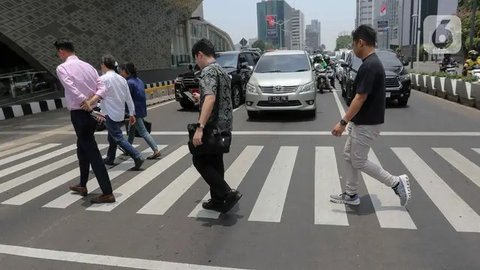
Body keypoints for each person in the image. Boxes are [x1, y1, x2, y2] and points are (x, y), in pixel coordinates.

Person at [330, 25, 412, 207]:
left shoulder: (369, 66)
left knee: (358, 160)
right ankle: (351, 194)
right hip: (362, 122)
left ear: (361, 42)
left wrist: (343, 122)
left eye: (353, 45)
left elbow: (360, 97)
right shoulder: (372, 63)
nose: (353, 49)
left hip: (366, 123)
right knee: (348, 155)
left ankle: (395, 182)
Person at [54, 39, 115, 204]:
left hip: (80, 114)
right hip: (92, 112)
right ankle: (82, 184)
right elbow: (102, 87)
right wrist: (92, 100)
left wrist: (84, 102)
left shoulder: (62, 68)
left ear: (61, 51)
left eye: (58, 53)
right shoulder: (89, 67)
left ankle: (107, 192)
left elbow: (71, 88)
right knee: (82, 147)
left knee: (91, 151)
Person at [191, 38, 242, 213]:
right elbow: (216, 97)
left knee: (198, 159)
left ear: (200, 54)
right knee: (215, 161)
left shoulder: (208, 72)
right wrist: (201, 99)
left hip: (212, 126)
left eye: (195, 59)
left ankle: (227, 193)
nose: (196, 63)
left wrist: (200, 127)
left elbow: (211, 98)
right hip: (225, 125)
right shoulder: (221, 70)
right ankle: (218, 200)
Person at [99, 55, 144, 170]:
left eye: (101, 64)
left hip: (109, 113)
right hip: (119, 113)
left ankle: (137, 155)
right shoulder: (122, 79)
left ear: (104, 65)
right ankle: (110, 158)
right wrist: (132, 113)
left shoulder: (103, 79)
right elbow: (128, 98)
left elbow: (98, 95)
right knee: (112, 136)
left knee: (118, 137)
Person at [119, 62, 161, 159]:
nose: (121, 72)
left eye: (122, 70)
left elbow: (126, 98)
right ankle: (127, 148)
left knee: (143, 131)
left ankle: (155, 149)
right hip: (140, 109)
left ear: (127, 72)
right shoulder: (139, 81)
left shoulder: (129, 83)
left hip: (134, 111)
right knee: (131, 131)